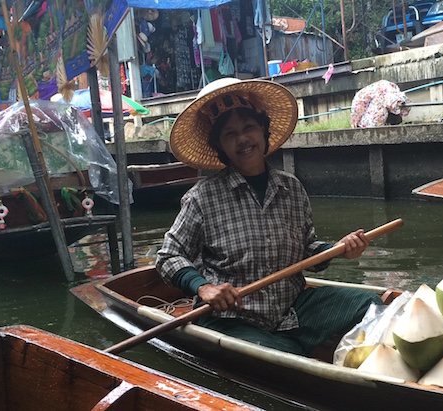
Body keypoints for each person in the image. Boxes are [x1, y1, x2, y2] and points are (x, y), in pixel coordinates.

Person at [156, 78, 383, 355]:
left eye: (249, 127)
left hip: (291, 309)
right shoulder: (202, 197)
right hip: (233, 318)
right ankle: (292, 349)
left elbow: (307, 250)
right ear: (220, 146)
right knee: (281, 352)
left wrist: (338, 249)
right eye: (230, 134)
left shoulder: (291, 188)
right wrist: (203, 288)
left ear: (263, 130)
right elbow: (168, 256)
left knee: (371, 303)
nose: (242, 139)